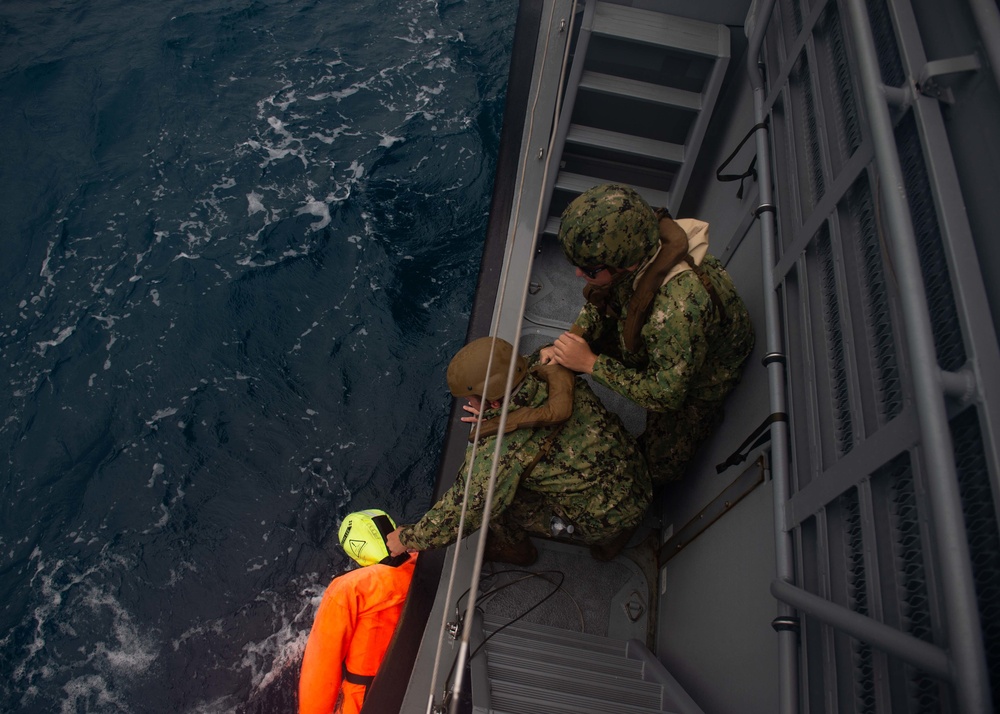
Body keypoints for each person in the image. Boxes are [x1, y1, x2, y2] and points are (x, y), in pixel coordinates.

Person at [541, 183, 754, 485]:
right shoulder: (638, 242)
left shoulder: (678, 310)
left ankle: (701, 423)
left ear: (624, 264)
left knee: (654, 472)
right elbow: (607, 300)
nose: (578, 275)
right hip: (671, 342)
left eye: (588, 270)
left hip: (703, 378)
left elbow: (667, 396)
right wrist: (573, 340)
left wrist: (591, 364)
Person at [385, 336, 651, 566]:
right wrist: (497, 410)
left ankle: (518, 550)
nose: (468, 402)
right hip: (639, 477)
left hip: (605, 521)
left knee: (499, 502)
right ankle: (614, 539)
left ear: (492, 399)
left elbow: (463, 510)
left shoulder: (501, 453)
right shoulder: (555, 372)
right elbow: (535, 361)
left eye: (472, 397)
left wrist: (407, 538)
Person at [299, 509, 416, 714]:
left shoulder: (350, 589)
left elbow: (320, 670)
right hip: (420, 679)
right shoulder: (424, 561)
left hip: (367, 700)